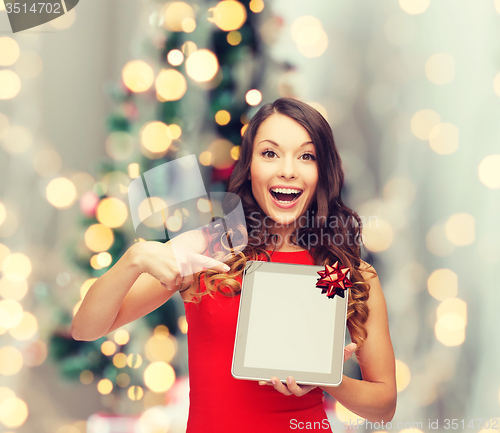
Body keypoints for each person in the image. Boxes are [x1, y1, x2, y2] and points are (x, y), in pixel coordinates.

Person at [72, 97, 397, 432]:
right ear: (250, 165)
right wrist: (134, 259)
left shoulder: (347, 272)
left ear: (322, 171)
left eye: (306, 156)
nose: (288, 169)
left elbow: (384, 407)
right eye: (270, 153)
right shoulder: (208, 249)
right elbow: (86, 329)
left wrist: (326, 378)